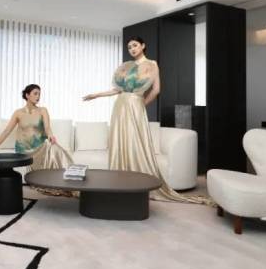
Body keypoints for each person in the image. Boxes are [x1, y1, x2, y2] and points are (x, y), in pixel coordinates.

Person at [83, 37, 209, 204]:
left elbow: (156, 90)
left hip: (135, 104)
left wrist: (141, 104)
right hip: (120, 105)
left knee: (134, 140)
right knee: (121, 140)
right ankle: (120, 181)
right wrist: (96, 95)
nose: (132, 49)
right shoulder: (126, 66)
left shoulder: (152, 64)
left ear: (143, 46)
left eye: (135, 45)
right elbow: (117, 90)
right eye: (129, 47)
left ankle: (136, 181)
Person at [0, 85, 74, 195]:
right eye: (35, 93)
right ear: (27, 95)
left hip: (40, 146)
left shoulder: (43, 110)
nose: (38, 96)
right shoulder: (18, 113)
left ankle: (70, 182)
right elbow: (7, 131)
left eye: (39, 94)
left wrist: (51, 136)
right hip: (25, 150)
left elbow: (47, 128)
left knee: (56, 148)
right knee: (53, 148)